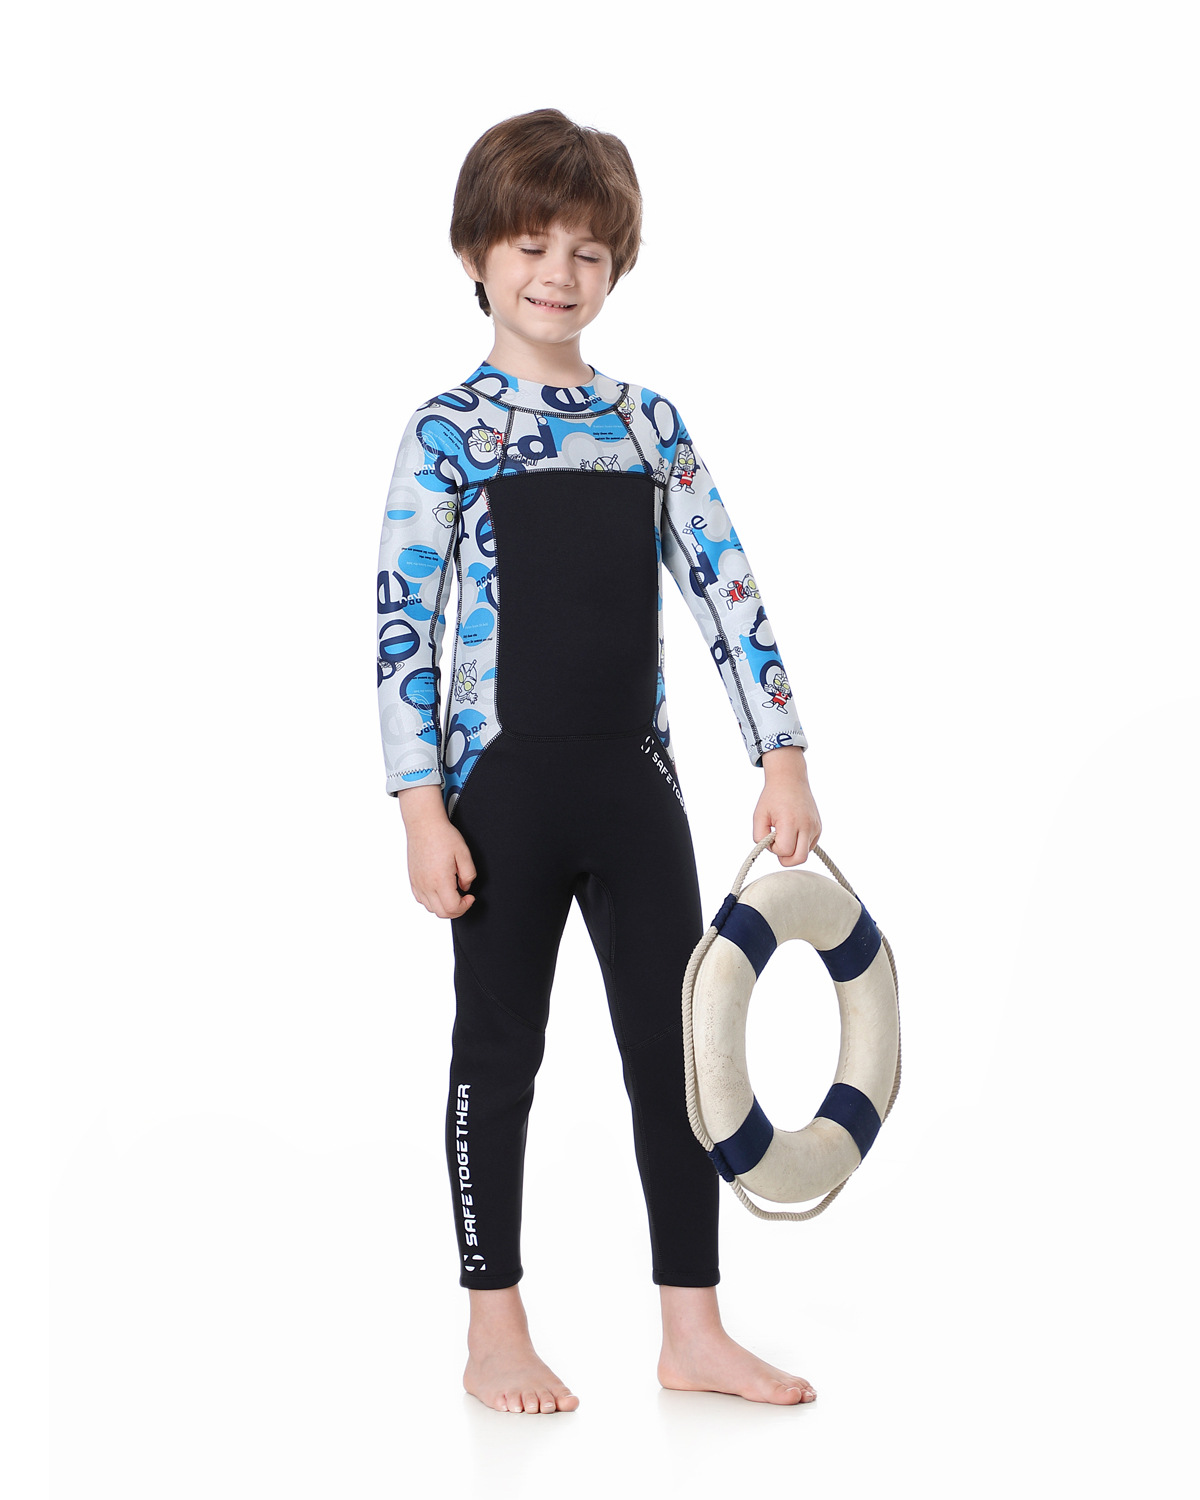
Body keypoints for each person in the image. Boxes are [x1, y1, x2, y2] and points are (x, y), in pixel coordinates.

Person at [376, 108, 822, 1414]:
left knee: (679, 1053)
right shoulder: (449, 432)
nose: (558, 273)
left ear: (617, 265)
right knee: (496, 1054)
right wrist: (419, 809)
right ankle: (494, 1329)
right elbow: (401, 629)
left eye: (586, 250)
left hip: (635, 789)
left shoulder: (647, 426)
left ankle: (693, 1327)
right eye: (531, 245)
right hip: (499, 792)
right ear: (477, 253)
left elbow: (725, 586)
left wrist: (783, 753)